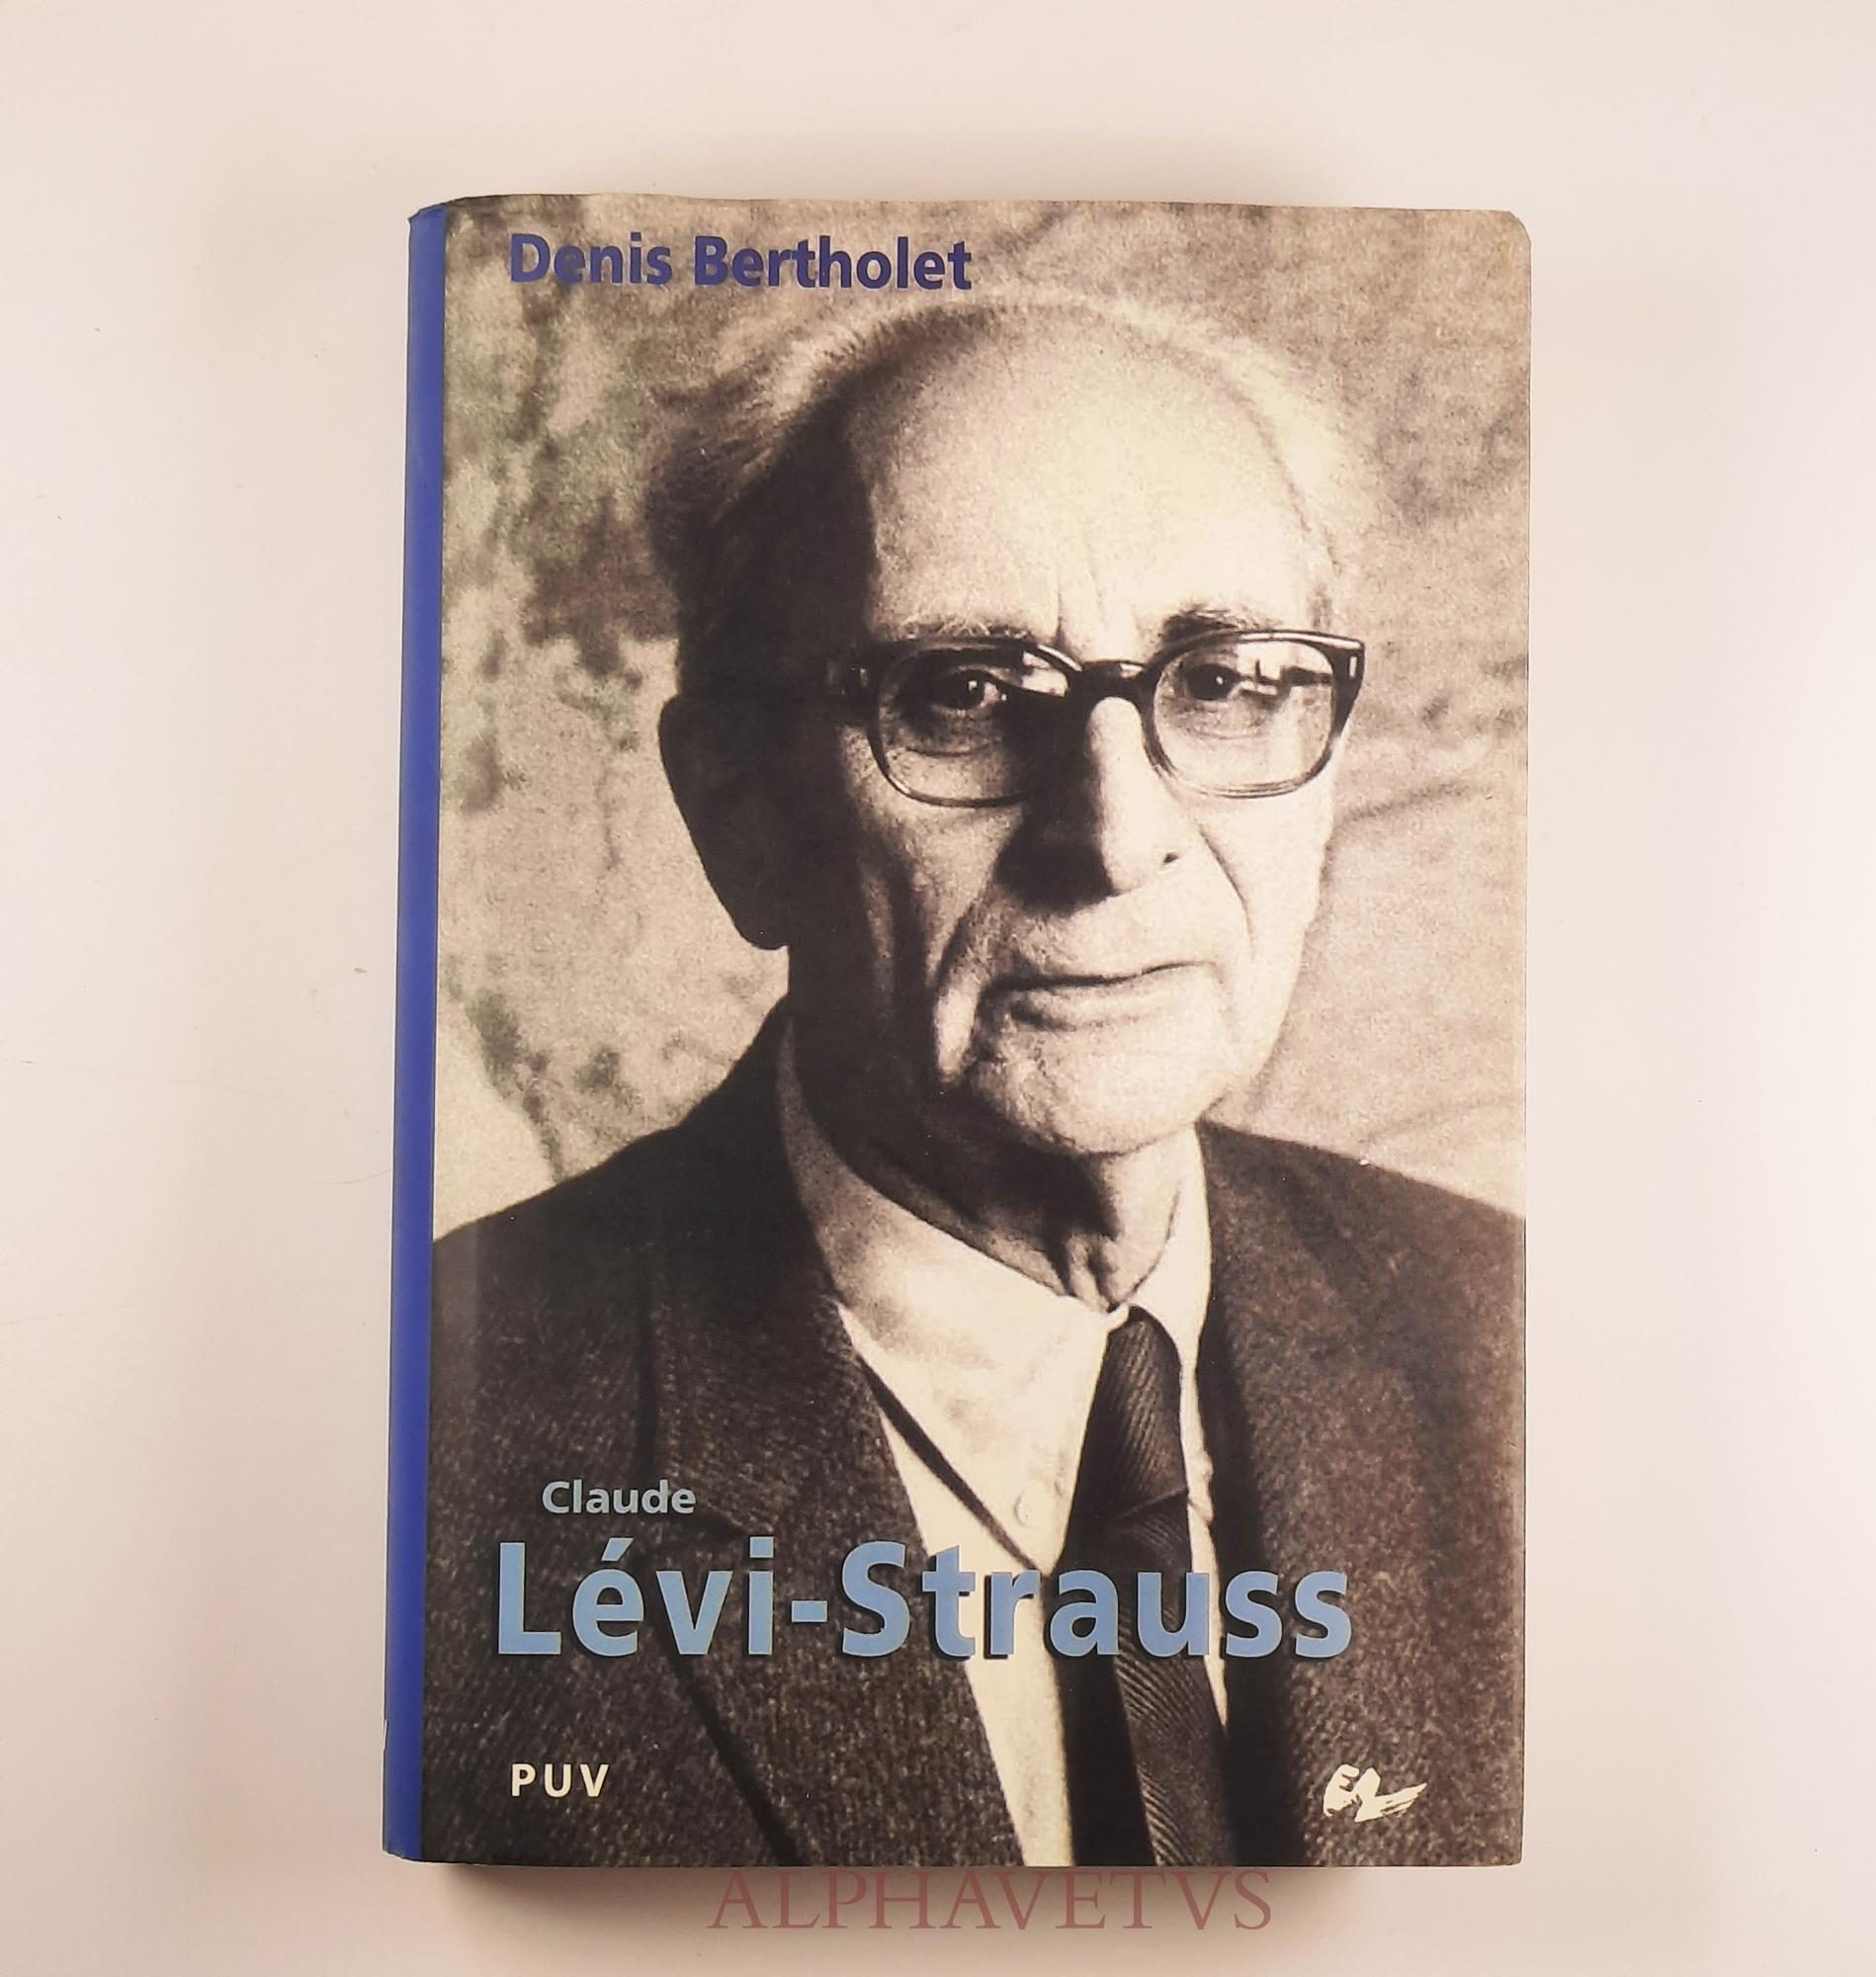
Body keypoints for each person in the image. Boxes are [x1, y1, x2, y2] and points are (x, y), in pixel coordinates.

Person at [420, 299, 1522, 1868]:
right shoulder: (436, 1461)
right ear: (738, 811)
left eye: (1224, 682)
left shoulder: (1510, 1337)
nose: (1117, 838)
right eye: (960, 696)